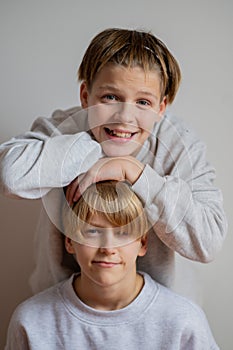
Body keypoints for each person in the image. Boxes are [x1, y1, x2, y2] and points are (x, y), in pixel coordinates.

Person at [0, 28, 227, 295]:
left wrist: (134, 171)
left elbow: (208, 242)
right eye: (110, 97)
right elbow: (10, 176)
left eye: (143, 102)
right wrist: (93, 148)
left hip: (158, 316)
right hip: (61, 309)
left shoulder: (178, 146)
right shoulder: (64, 128)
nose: (124, 117)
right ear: (86, 96)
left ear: (161, 108)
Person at [5, 181, 219, 350]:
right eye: (92, 231)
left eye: (123, 233)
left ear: (142, 243)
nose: (108, 248)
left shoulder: (183, 321)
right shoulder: (31, 321)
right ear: (69, 241)